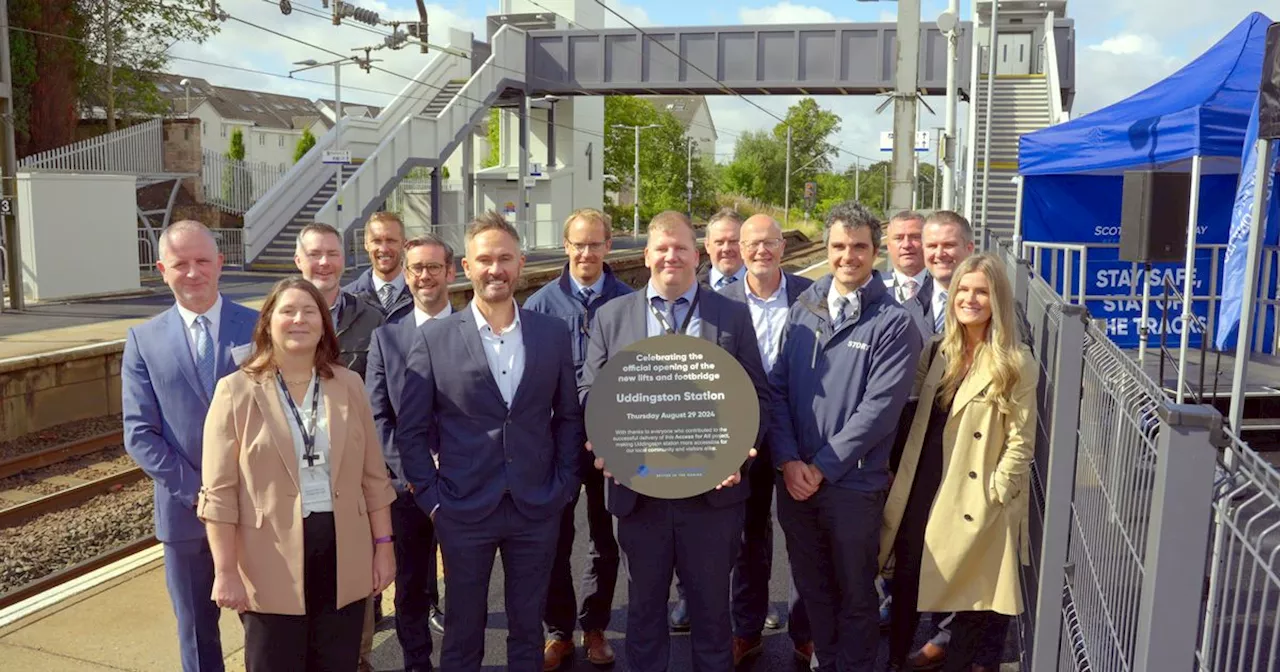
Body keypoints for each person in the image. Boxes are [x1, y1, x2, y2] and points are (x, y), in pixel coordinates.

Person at [581, 210, 770, 672]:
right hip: (639, 492)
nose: (671, 257)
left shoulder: (732, 315)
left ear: (697, 254)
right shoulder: (611, 317)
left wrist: (740, 456)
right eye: (662, 249)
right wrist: (605, 444)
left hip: (712, 494)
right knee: (644, 613)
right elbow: (590, 391)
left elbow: (757, 395)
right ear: (645, 256)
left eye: (681, 248)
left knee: (711, 614)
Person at [396, 211, 584, 671]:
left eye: (504, 258)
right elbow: (412, 431)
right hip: (461, 510)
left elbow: (569, 417)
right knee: (462, 634)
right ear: (466, 267)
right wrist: (434, 501)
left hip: (537, 506)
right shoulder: (435, 339)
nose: (494, 269)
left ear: (520, 263)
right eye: (484, 260)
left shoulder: (551, 334)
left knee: (526, 631)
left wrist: (562, 487)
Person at [199, 277, 397, 671]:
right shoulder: (235, 391)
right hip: (268, 558)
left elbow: (374, 478)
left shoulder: (349, 385)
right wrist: (225, 572)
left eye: (310, 311)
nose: (298, 320)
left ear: (324, 324)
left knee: (339, 661)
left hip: (343, 550)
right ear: (268, 322)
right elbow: (218, 493)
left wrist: (384, 547)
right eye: (287, 311)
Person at [768, 201, 922, 671]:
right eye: (838, 246)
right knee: (813, 589)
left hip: (853, 486)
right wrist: (789, 461)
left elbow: (878, 411)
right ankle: (826, 661)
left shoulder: (894, 322)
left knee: (855, 594)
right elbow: (776, 389)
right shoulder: (803, 308)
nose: (847, 256)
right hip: (795, 481)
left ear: (876, 252)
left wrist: (820, 467)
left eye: (859, 247)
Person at [880, 254, 1037, 672]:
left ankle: (956, 661)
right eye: (963, 290)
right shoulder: (936, 350)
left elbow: (1022, 440)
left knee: (971, 596)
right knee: (909, 576)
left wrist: (997, 490)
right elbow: (909, 412)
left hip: (976, 490)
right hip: (926, 482)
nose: (969, 298)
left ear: (997, 299)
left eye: (981, 291)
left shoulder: (1015, 362)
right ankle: (895, 660)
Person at [122, 220, 257, 672]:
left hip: (258, 507)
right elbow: (140, 433)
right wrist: (199, 493)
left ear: (221, 264)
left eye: (203, 261)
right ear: (162, 269)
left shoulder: (258, 327)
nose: (193, 272)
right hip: (184, 514)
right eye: (181, 263)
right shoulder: (142, 340)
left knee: (268, 627)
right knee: (197, 634)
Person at [523, 208, 632, 669]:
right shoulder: (540, 305)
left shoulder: (631, 302)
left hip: (612, 442)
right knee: (554, 538)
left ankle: (594, 628)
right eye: (578, 244)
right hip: (556, 441)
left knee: (606, 540)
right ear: (565, 246)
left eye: (595, 244)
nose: (586, 252)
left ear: (610, 247)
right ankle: (558, 632)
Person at [718, 213, 815, 665]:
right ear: (738, 248)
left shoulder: (810, 296)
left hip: (798, 428)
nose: (762, 251)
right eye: (753, 243)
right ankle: (747, 629)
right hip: (742, 431)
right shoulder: (720, 301)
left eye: (770, 242)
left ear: (783, 247)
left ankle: (805, 631)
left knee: (803, 533)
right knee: (746, 536)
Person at [365, 234, 457, 672]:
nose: (424, 276)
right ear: (406, 275)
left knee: (466, 582)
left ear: (451, 273)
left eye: (433, 267)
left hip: (466, 482)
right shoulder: (386, 339)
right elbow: (378, 417)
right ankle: (417, 662)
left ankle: (463, 659)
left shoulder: (478, 331)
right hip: (407, 486)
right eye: (416, 268)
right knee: (410, 585)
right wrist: (414, 472)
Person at [883, 209, 956, 667]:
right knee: (903, 531)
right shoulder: (891, 297)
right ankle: (898, 611)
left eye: (923, 239)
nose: (920, 249)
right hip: (899, 429)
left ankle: (945, 633)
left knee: (948, 531)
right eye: (905, 239)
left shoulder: (971, 294)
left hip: (954, 430)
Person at [295, 222, 385, 379]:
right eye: (314, 254)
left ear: (342, 260)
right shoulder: (277, 320)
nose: (324, 262)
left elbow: (379, 388)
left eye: (332, 254)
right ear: (298, 261)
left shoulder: (372, 320)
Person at [345, 211, 414, 323]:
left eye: (391, 241)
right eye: (376, 241)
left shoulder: (421, 295)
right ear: (366, 244)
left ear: (403, 244)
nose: (383, 249)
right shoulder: (347, 300)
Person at [696, 207, 746, 292]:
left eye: (733, 241)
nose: (726, 249)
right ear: (707, 246)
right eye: (719, 242)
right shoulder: (689, 289)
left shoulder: (767, 286)